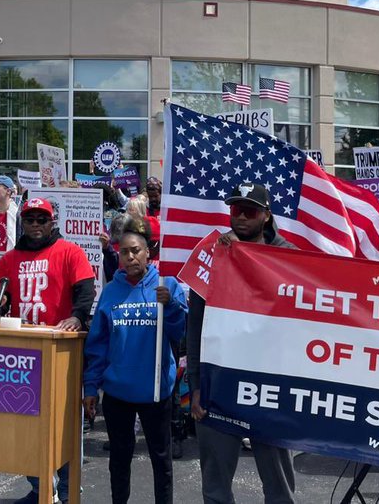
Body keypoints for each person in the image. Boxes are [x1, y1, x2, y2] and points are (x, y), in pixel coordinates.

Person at [188, 182, 297, 504]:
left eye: (249, 211)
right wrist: (195, 383)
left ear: (266, 215)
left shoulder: (289, 257)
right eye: (236, 210)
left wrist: (244, 256)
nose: (240, 218)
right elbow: (196, 325)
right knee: (216, 488)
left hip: (271, 385)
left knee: (279, 488)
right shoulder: (211, 253)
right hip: (219, 382)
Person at [0, 196, 95, 504]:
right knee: (26, 425)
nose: (35, 225)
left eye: (41, 219)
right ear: (22, 222)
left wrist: (76, 316)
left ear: (52, 222)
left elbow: (85, 292)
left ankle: (66, 491)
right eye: (30, 220)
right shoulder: (9, 258)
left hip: (61, 352)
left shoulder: (70, 251)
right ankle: (40, 489)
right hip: (23, 354)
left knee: (64, 426)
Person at [84, 223, 187, 504]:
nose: (130, 257)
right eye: (124, 252)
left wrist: (173, 307)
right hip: (118, 393)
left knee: (161, 460)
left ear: (148, 253)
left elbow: (180, 334)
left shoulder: (167, 285)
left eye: (135, 251)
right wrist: (91, 387)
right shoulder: (110, 292)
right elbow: (98, 344)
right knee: (119, 459)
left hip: (156, 392)